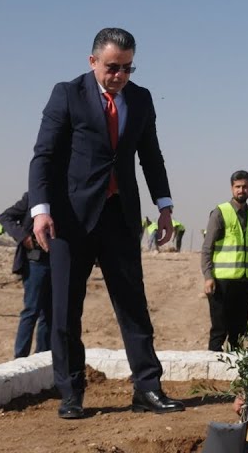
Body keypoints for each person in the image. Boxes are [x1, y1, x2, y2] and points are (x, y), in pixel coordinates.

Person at [28, 27, 182, 419]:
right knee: (65, 310)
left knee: (133, 305)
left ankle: (147, 388)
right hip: (71, 220)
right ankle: (71, 393)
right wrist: (41, 210)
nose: (120, 76)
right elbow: (43, 156)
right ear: (92, 61)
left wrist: (164, 206)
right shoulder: (67, 94)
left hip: (120, 217)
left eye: (128, 68)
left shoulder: (140, 99)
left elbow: (152, 155)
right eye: (113, 67)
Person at [201, 170, 248, 352]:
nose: (241, 190)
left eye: (245, 187)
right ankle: (211, 373)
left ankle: (233, 372)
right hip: (221, 281)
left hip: (244, 281)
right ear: (232, 188)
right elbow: (207, 248)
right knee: (219, 328)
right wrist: (208, 276)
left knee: (239, 330)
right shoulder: (220, 213)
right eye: (238, 187)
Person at [0, 192, 52, 359]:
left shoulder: (70, 196)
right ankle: (20, 358)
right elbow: (5, 217)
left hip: (57, 262)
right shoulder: (33, 197)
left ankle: (42, 356)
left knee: (49, 313)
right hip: (35, 261)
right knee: (32, 310)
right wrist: (23, 237)